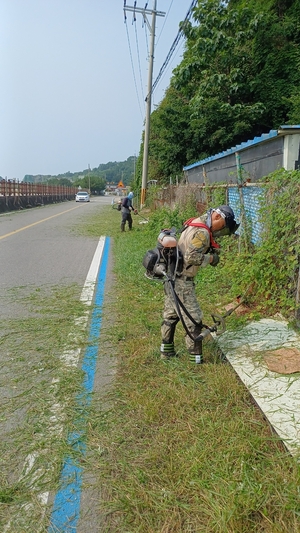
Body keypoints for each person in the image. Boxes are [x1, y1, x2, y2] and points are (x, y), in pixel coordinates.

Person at [160, 205, 239, 363]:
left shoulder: (194, 222)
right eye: (222, 226)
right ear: (217, 217)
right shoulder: (202, 232)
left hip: (172, 277)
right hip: (183, 282)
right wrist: (211, 259)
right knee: (194, 320)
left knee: (171, 316)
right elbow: (191, 257)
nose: (221, 230)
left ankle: (166, 352)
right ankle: (196, 360)